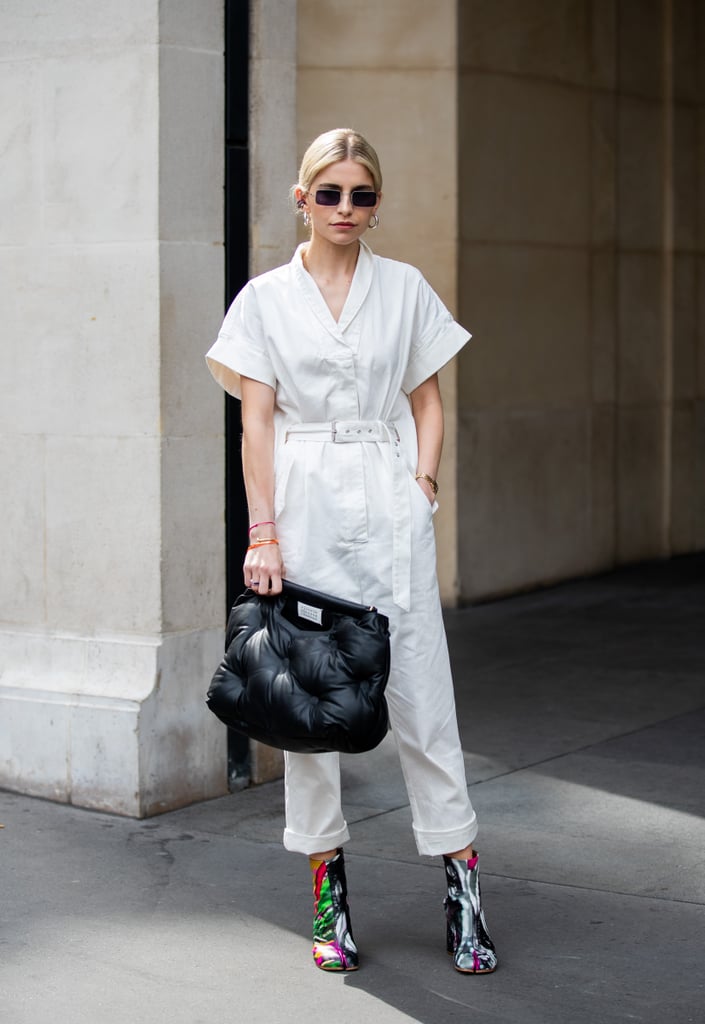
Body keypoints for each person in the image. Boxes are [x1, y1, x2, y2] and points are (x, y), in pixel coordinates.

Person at [206, 128, 497, 975]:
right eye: (327, 193)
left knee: (423, 703)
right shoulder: (262, 299)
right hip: (303, 511)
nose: (343, 208)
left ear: (375, 204)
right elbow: (254, 422)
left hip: (388, 501)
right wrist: (263, 532)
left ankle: (463, 896)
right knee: (311, 711)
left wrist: (424, 483)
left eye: (359, 194)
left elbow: (427, 396)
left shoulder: (402, 289)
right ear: (302, 198)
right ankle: (329, 902)